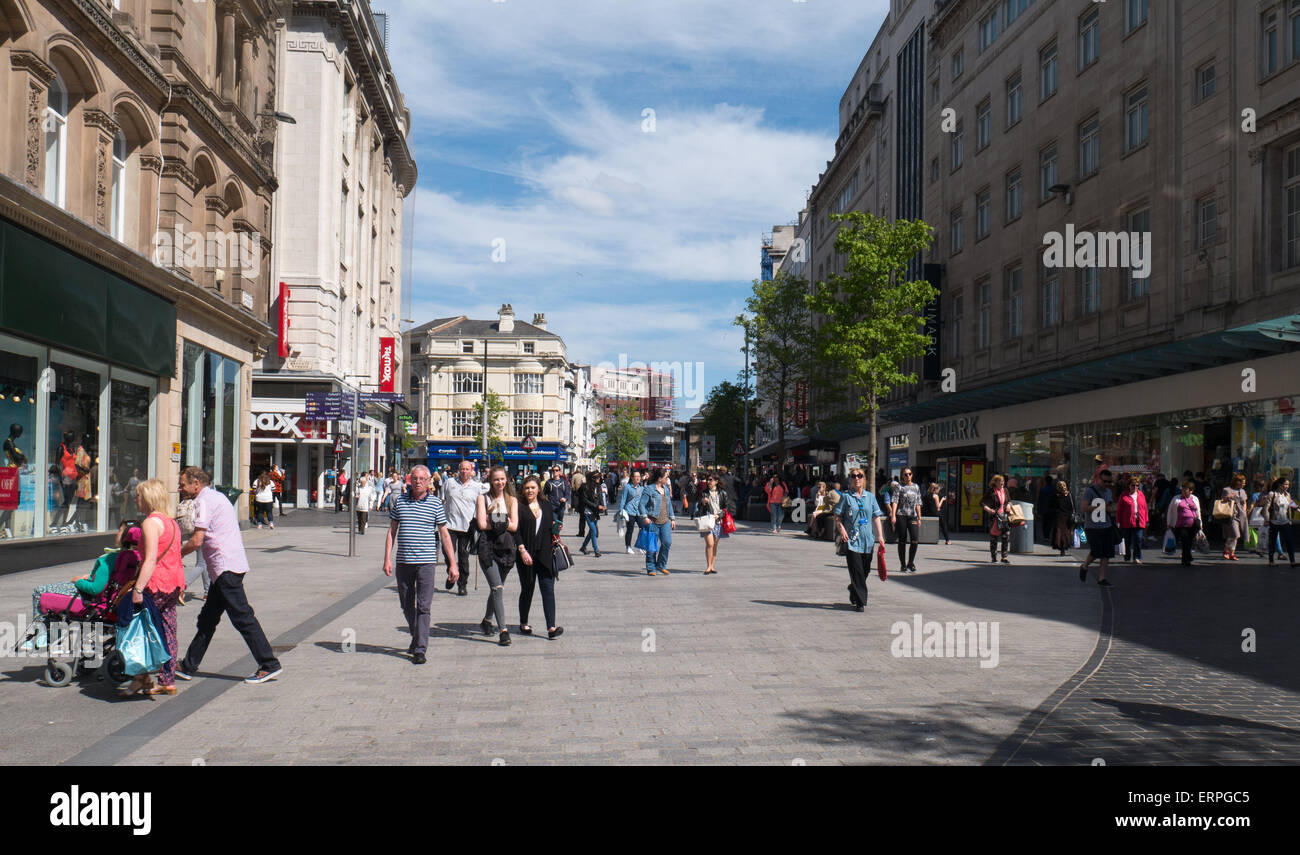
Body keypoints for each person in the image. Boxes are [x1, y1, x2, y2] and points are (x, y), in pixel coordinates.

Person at [174, 467, 283, 683]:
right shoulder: (217, 496)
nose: (180, 488)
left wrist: (173, 556)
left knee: (242, 617)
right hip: (226, 567)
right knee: (208, 619)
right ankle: (188, 666)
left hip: (225, 568)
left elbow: (197, 540)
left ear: (196, 483)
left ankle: (269, 664)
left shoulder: (204, 501)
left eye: (183, 484)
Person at [383, 465, 457, 664]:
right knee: (406, 605)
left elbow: (444, 534)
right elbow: (392, 531)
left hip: (426, 563)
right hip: (404, 562)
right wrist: (387, 558)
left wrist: (453, 563)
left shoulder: (435, 504)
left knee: (424, 606)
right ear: (410, 480)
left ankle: (420, 648)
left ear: (428, 481)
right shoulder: (400, 502)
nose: (417, 481)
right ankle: (417, 637)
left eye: (422, 478)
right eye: (414, 478)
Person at [123, 478, 186, 696]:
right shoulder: (171, 522)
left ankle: (140, 677)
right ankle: (167, 680)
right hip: (173, 582)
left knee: (140, 629)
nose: (135, 499)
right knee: (168, 630)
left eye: (138, 495)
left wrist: (138, 589)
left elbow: (149, 559)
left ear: (148, 497)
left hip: (155, 583)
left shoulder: (150, 523)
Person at [476, 466, 518, 646]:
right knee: (498, 588)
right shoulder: (482, 498)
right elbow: (481, 524)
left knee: (496, 589)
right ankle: (503, 630)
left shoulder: (512, 500)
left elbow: (515, 526)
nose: (500, 482)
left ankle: (486, 620)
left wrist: (493, 519)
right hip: (488, 547)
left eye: (502, 479)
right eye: (496, 479)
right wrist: (503, 521)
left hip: (506, 548)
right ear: (490, 481)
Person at [516, 475, 562, 639]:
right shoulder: (519, 506)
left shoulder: (546, 505)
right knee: (527, 589)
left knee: (548, 589)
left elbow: (550, 527)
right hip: (526, 554)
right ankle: (523, 622)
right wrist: (522, 550)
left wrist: (557, 529)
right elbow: (516, 531)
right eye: (527, 488)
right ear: (523, 489)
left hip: (544, 554)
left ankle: (551, 626)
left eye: (533, 488)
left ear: (538, 489)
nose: (530, 491)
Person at [834, 467, 886, 612]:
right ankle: (860, 601)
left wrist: (880, 536)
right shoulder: (846, 497)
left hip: (867, 540)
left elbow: (876, 517)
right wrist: (842, 530)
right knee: (856, 570)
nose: (857, 478)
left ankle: (853, 587)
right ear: (850, 479)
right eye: (853, 476)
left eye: (860, 476)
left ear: (864, 479)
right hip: (852, 541)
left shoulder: (870, 497)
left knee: (865, 570)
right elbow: (837, 516)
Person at [441, 459, 486, 596]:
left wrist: (480, 521)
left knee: (463, 557)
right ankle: (452, 573)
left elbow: (481, 505)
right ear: (458, 470)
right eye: (462, 469)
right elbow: (441, 500)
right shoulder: (449, 483)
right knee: (448, 554)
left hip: (467, 527)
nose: (464, 471)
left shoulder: (477, 486)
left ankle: (462, 584)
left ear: (471, 471)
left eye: (467, 469)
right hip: (449, 525)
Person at [1079, 469, 1117, 586]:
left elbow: (1109, 508)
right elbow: (1084, 508)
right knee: (1096, 552)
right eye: (1105, 481)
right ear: (1098, 479)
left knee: (1106, 553)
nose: (1107, 484)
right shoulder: (1089, 491)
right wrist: (1100, 506)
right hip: (1092, 527)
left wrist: (1114, 509)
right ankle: (1085, 566)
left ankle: (1102, 579)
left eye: (1109, 482)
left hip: (1106, 526)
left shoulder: (1108, 492)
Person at [638, 467, 676, 576]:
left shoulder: (666, 490)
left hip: (665, 521)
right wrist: (645, 517)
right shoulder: (649, 489)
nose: (667, 479)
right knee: (651, 546)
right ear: (660, 479)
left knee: (667, 543)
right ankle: (651, 568)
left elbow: (669, 505)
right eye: (666, 477)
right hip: (652, 521)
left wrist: (672, 518)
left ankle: (661, 565)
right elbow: (641, 504)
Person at [694, 473, 729, 575]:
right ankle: (708, 566)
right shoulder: (704, 492)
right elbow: (699, 506)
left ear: (716, 481)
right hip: (707, 520)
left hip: (718, 521)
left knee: (715, 545)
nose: (708, 482)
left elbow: (726, 507)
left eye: (710, 480)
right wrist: (703, 502)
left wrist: (720, 515)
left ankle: (712, 565)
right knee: (710, 544)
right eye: (708, 480)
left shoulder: (722, 493)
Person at [889, 467, 923, 573]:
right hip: (901, 515)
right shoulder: (899, 487)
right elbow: (894, 501)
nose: (908, 476)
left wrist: (919, 517)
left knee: (914, 539)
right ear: (902, 476)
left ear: (912, 475)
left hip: (912, 516)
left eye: (909, 474)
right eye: (905, 474)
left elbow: (918, 503)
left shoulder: (916, 487)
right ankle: (903, 564)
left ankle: (911, 562)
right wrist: (893, 515)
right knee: (902, 540)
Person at [1166, 480, 1202, 567]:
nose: (1183, 491)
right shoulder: (1176, 498)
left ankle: (1187, 557)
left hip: (1193, 525)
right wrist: (1169, 523)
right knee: (1185, 541)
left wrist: (1200, 524)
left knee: (1189, 542)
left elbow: (1198, 511)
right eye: (1182, 489)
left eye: (1186, 489)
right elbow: (1170, 511)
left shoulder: (1195, 498)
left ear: (1191, 491)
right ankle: (1186, 560)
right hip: (1180, 525)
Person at [1264, 476, 1297, 567]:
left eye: (1288, 485)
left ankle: (1292, 561)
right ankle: (1271, 561)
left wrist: (1297, 508)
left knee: (1289, 541)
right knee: (1273, 542)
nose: (1287, 486)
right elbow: (1266, 508)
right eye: (1285, 484)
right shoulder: (1272, 494)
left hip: (1285, 521)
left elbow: (1291, 502)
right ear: (1279, 485)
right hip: (1274, 521)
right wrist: (1267, 519)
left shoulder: (1287, 495)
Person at [980, 475, 1012, 564]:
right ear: (995, 482)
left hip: (1005, 517)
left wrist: (1009, 505)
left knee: (1006, 537)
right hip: (995, 517)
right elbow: (982, 502)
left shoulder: (1005, 490)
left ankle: (1004, 557)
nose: (1002, 483)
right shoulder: (991, 491)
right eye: (1000, 481)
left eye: (1003, 481)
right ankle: (994, 557)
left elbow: (1009, 500)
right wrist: (989, 510)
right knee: (994, 537)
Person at [1219, 473, 1248, 562]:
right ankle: (1230, 552)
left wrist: (1245, 511)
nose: (1244, 484)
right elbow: (1221, 501)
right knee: (1235, 534)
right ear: (1237, 482)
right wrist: (1228, 497)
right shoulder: (1227, 490)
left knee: (1234, 536)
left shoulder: (1242, 491)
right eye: (1242, 482)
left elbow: (1244, 502)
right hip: (1232, 514)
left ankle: (1228, 551)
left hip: (1241, 514)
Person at [577, 474, 605, 557]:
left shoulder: (599, 487)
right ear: (592, 478)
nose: (599, 479)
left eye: (599, 477)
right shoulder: (586, 487)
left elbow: (600, 498)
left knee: (591, 532)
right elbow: (584, 500)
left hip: (596, 512)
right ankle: (596, 550)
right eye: (597, 477)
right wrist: (596, 506)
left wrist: (603, 506)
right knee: (593, 530)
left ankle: (583, 547)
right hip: (588, 511)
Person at [620, 469, 645, 553]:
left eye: (639, 476)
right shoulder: (627, 487)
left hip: (638, 512)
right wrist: (621, 512)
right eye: (636, 476)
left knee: (643, 528)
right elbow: (623, 500)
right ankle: (628, 547)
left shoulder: (641, 488)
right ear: (632, 477)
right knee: (630, 530)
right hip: (629, 511)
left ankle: (640, 546)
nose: (638, 478)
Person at [1052, 480, 1075, 556]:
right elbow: (1073, 506)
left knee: (1059, 532)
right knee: (1066, 532)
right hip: (1068, 517)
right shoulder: (1070, 495)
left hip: (1059, 517)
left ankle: (1061, 547)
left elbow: (1052, 506)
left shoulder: (1055, 496)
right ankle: (1065, 546)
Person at [1035, 474, 1056, 544]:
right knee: (1049, 523)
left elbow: (1040, 500)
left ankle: (1045, 535)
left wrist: (1039, 509)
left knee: (1044, 522)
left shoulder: (1043, 490)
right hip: (1051, 509)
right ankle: (1047, 535)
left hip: (1044, 509)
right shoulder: (1054, 490)